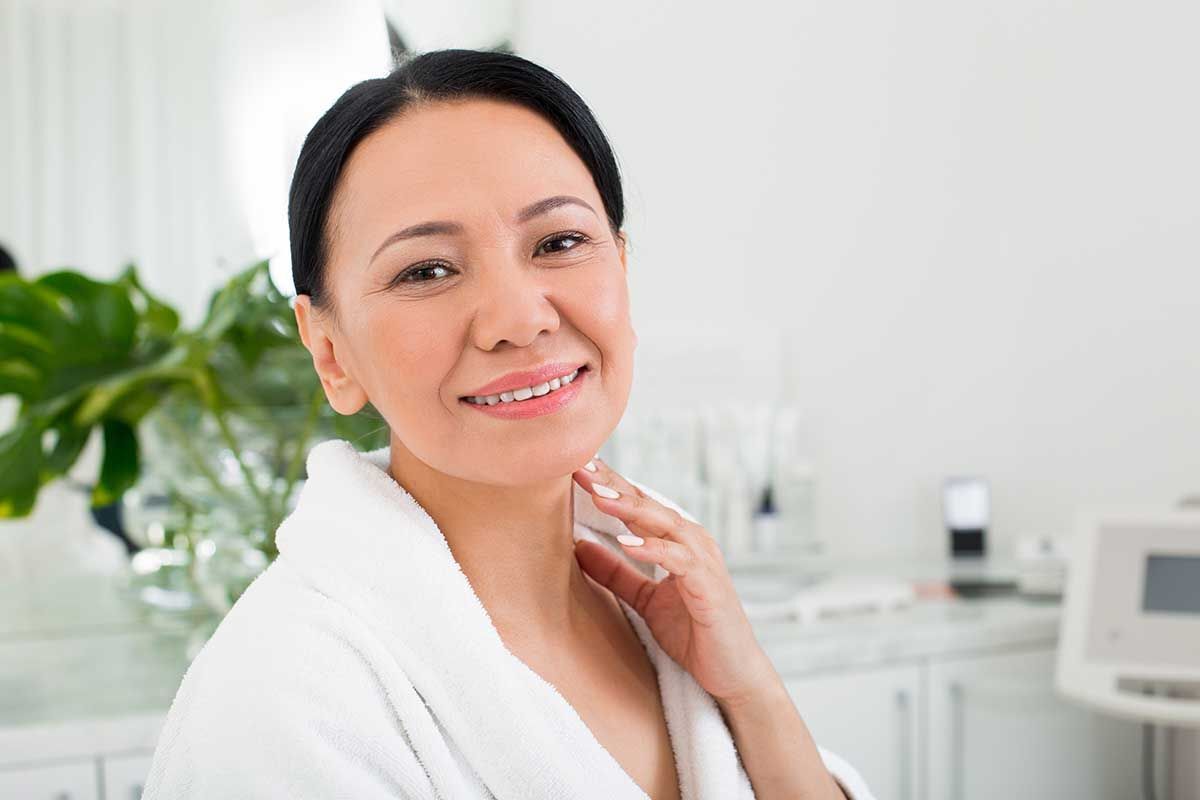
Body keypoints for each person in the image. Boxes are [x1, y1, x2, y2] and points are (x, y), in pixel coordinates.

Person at [143, 49, 874, 800]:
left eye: (559, 243)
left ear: (620, 266)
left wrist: (752, 693)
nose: (520, 320)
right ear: (330, 352)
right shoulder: (281, 709)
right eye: (426, 270)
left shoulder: (663, 611)